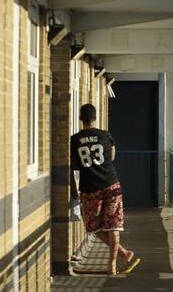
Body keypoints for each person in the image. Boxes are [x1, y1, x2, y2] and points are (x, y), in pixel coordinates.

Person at [70, 103, 140, 275]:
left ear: (80, 119)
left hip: (89, 188)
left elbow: (74, 165)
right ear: (95, 118)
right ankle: (115, 262)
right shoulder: (106, 135)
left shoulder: (75, 139)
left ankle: (119, 258)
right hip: (111, 184)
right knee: (113, 226)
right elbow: (112, 156)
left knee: (93, 227)